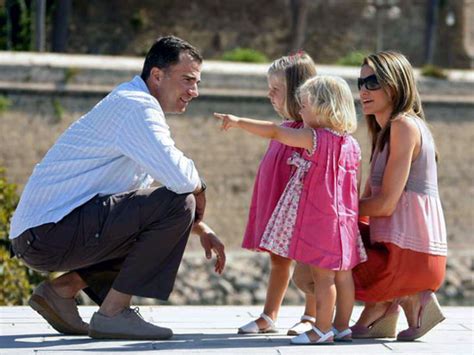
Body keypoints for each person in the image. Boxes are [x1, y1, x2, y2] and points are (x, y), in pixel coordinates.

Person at [8, 36, 226, 340]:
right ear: (157, 75)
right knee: (181, 202)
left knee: (175, 207)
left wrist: (200, 227)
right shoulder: (137, 107)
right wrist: (199, 189)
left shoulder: (131, 104)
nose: (195, 91)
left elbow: (141, 205)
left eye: (197, 82)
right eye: (187, 79)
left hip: (42, 235)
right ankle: (113, 312)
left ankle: (62, 290)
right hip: (48, 233)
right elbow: (180, 181)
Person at [215, 75, 367, 345]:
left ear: (323, 108)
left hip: (322, 221)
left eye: (305, 106)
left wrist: (238, 121)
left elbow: (275, 131)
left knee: (323, 278)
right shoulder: (352, 145)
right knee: (344, 275)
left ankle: (321, 330)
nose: (302, 112)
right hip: (345, 222)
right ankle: (342, 327)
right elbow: (353, 186)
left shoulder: (315, 138)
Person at [348, 51, 447, 341]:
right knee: (333, 230)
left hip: (411, 255)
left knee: (325, 236)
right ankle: (381, 309)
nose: (364, 89)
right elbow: (365, 205)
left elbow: (385, 204)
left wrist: (332, 210)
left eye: (373, 81)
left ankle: (409, 297)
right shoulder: (386, 133)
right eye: (360, 83)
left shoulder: (403, 127)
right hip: (405, 251)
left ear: (395, 84)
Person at [232, 52, 318, 336]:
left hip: (301, 205)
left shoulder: (311, 132)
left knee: (310, 258)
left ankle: (312, 314)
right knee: (278, 258)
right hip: (278, 200)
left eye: (275, 90)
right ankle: (269, 315)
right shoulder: (287, 127)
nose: (269, 95)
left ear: (297, 93)